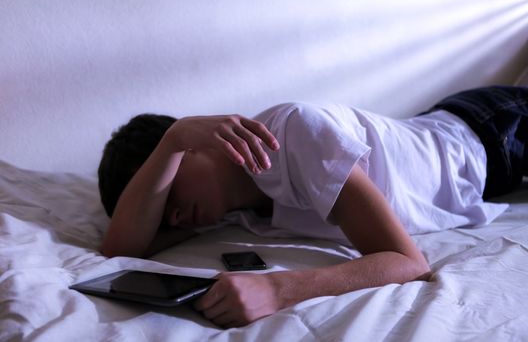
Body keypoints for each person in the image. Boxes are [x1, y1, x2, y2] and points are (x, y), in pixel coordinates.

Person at [97, 85, 528, 328]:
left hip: (491, 131)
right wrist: (170, 143)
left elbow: (408, 263)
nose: (171, 217)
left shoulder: (291, 134)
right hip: (453, 133)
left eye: (169, 192)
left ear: (200, 144)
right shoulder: (230, 207)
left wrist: (280, 288)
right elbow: (122, 246)